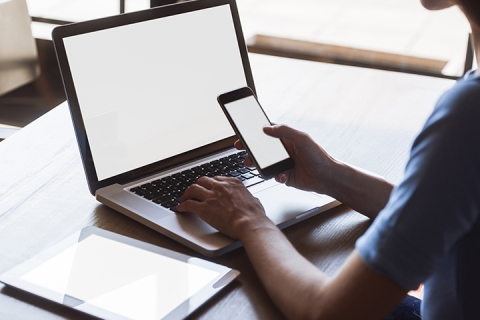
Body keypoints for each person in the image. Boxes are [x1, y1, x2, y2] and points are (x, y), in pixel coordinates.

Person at [177, 0, 480, 318]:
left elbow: (328, 312)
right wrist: (330, 176)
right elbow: (437, 211)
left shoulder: (468, 113)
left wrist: (249, 221)